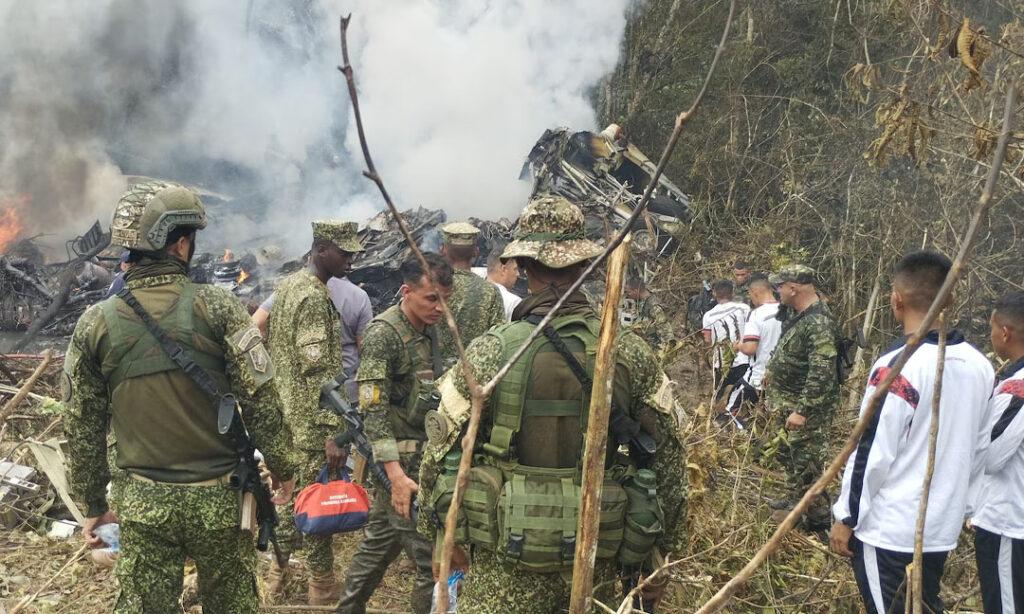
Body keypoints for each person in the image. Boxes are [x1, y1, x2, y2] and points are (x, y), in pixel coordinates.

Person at [417, 195, 688, 613]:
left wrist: (439, 537)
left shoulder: (492, 351)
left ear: (524, 266)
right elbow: (668, 456)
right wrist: (662, 556)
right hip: (596, 564)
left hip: (502, 572)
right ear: (584, 264)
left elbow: (438, 452)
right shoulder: (628, 351)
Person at [62, 181, 297, 613]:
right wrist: (284, 468)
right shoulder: (219, 307)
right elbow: (261, 399)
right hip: (220, 502)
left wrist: (94, 504)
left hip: (143, 504)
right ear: (181, 244)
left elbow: (81, 426)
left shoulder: (96, 323)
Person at [829, 251, 994, 614]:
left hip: (889, 530)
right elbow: (980, 448)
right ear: (950, 299)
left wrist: (847, 516)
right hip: (939, 529)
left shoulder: (897, 366)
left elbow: (873, 448)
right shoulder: (981, 366)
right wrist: (962, 506)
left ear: (896, 300)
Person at [338, 253, 454, 614]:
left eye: (445, 299)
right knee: (430, 561)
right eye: (431, 298)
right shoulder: (384, 335)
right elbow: (372, 409)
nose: (440, 308)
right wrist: (395, 475)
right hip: (399, 468)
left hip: (423, 460)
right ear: (407, 292)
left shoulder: (430, 330)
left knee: (379, 544)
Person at [266, 220, 364, 604]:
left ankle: (275, 575)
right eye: (344, 252)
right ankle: (321, 587)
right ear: (321, 249)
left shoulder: (289, 286)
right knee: (316, 505)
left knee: (292, 499)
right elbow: (319, 373)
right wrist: (333, 433)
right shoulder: (312, 298)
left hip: (288, 415)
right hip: (311, 422)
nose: (351, 260)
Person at [763, 264, 839, 529]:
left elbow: (822, 370)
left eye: (780, 287)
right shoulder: (797, 315)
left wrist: (803, 410)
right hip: (786, 401)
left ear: (793, 288)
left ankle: (819, 520)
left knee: (808, 463)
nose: (777, 292)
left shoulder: (818, 323)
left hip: (805, 408)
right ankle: (795, 500)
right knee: (789, 454)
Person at [972, 291, 1024, 614]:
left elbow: (991, 457)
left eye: (991, 327)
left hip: (1009, 523)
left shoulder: (1017, 388)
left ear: (1005, 332)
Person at [254, 277, 373, 401]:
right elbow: (366, 353)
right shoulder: (358, 296)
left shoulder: (289, 291)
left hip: (302, 393)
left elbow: (256, 326)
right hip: (347, 390)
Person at [436, 222, 505, 368]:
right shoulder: (491, 292)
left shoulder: (430, 288)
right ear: (476, 252)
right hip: (473, 374)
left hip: (434, 375)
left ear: (442, 250)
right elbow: (498, 340)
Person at [726, 277, 781, 424]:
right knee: (772, 418)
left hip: (757, 377)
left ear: (755, 292)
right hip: (780, 378)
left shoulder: (756, 315)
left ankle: (743, 435)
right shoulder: (786, 311)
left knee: (731, 409)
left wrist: (739, 346)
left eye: (750, 294)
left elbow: (750, 348)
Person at [702, 279, 751, 402]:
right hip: (744, 358)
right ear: (732, 292)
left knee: (720, 396)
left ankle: (720, 413)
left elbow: (707, 339)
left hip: (721, 363)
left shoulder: (708, 315)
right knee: (743, 397)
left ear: (714, 293)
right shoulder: (744, 308)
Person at [623, 275, 675, 355]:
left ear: (636, 291)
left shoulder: (653, 306)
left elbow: (665, 329)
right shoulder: (641, 301)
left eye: (629, 292)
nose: (628, 294)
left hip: (656, 348)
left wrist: (666, 351)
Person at [484, 249, 522, 320]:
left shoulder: (471, 292)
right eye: (515, 269)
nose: (518, 274)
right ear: (503, 269)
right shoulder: (513, 302)